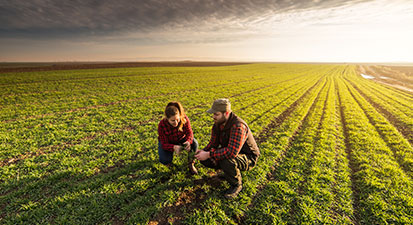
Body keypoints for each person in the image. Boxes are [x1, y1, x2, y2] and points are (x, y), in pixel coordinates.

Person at [195, 98, 260, 199]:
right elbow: (213, 143)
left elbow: (231, 152)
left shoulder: (238, 126)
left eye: (216, 114)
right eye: (213, 114)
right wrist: (202, 152)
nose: (213, 117)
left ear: (226, 113)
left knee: (226, 159)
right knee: (206, 159)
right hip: (231, 153)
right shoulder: (217, 124)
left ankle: (236, 185)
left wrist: (209, 154)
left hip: (248, 157)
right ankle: (227, 173)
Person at [158, 101, 198, 174]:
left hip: (180, 138)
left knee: (194, 143)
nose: (176, 123)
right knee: (164, 159)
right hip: (169, 142)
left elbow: (189, 133)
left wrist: (188, 142)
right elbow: (164, 143)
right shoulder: (162, 124)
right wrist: (173, 147)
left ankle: (191, 163)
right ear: (167, 118)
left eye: (177, 119)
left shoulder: (184, 118)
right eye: (173, 120)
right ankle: (168, 164)